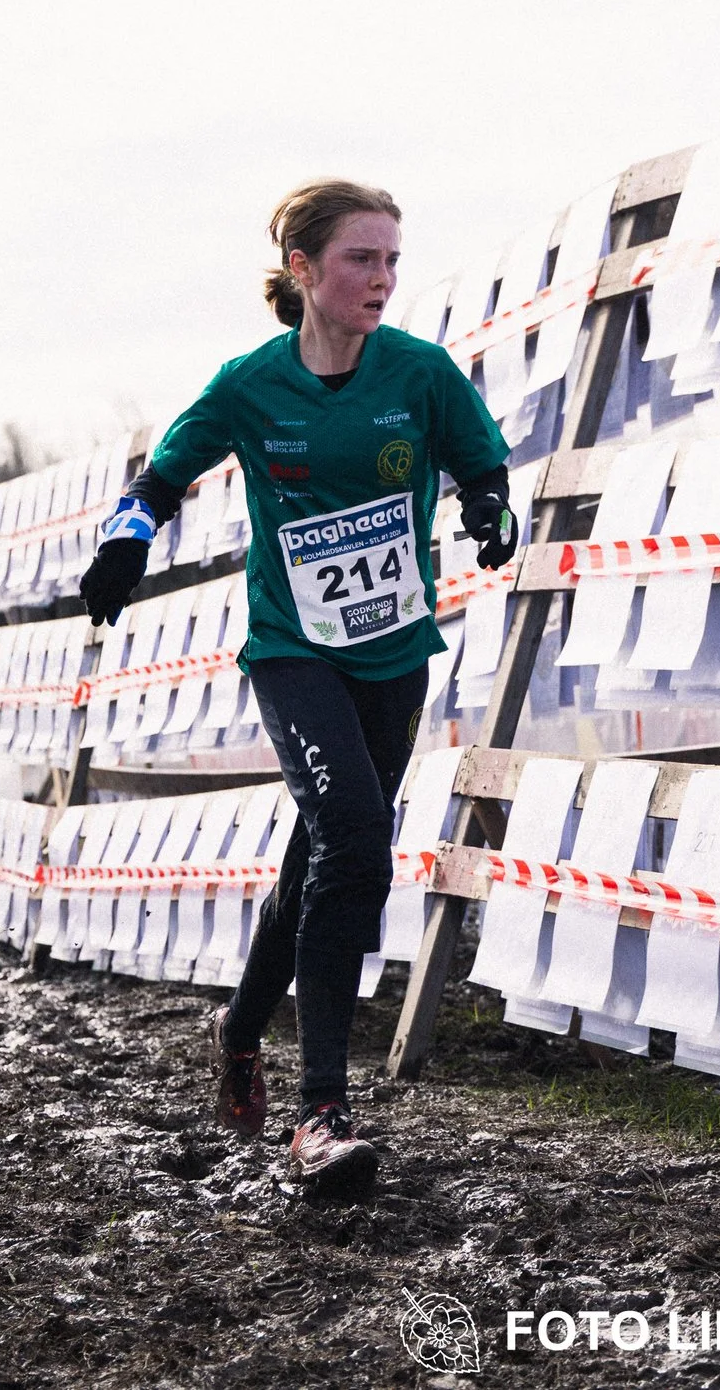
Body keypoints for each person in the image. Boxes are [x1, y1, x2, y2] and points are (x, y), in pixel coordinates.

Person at [78, 178, 516, 1188]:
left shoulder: (419, 372)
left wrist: (492, 515)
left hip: (395, 649)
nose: (384, 278)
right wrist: (125, 543)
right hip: (293, 648)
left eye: (394, 258)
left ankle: (238, 1029)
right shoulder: (250, 383)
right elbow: (163, 473)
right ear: (304, 270)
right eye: (364, 258)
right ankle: (323, 1111)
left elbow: (480, 463)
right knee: (358, 843)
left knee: (320, 852)